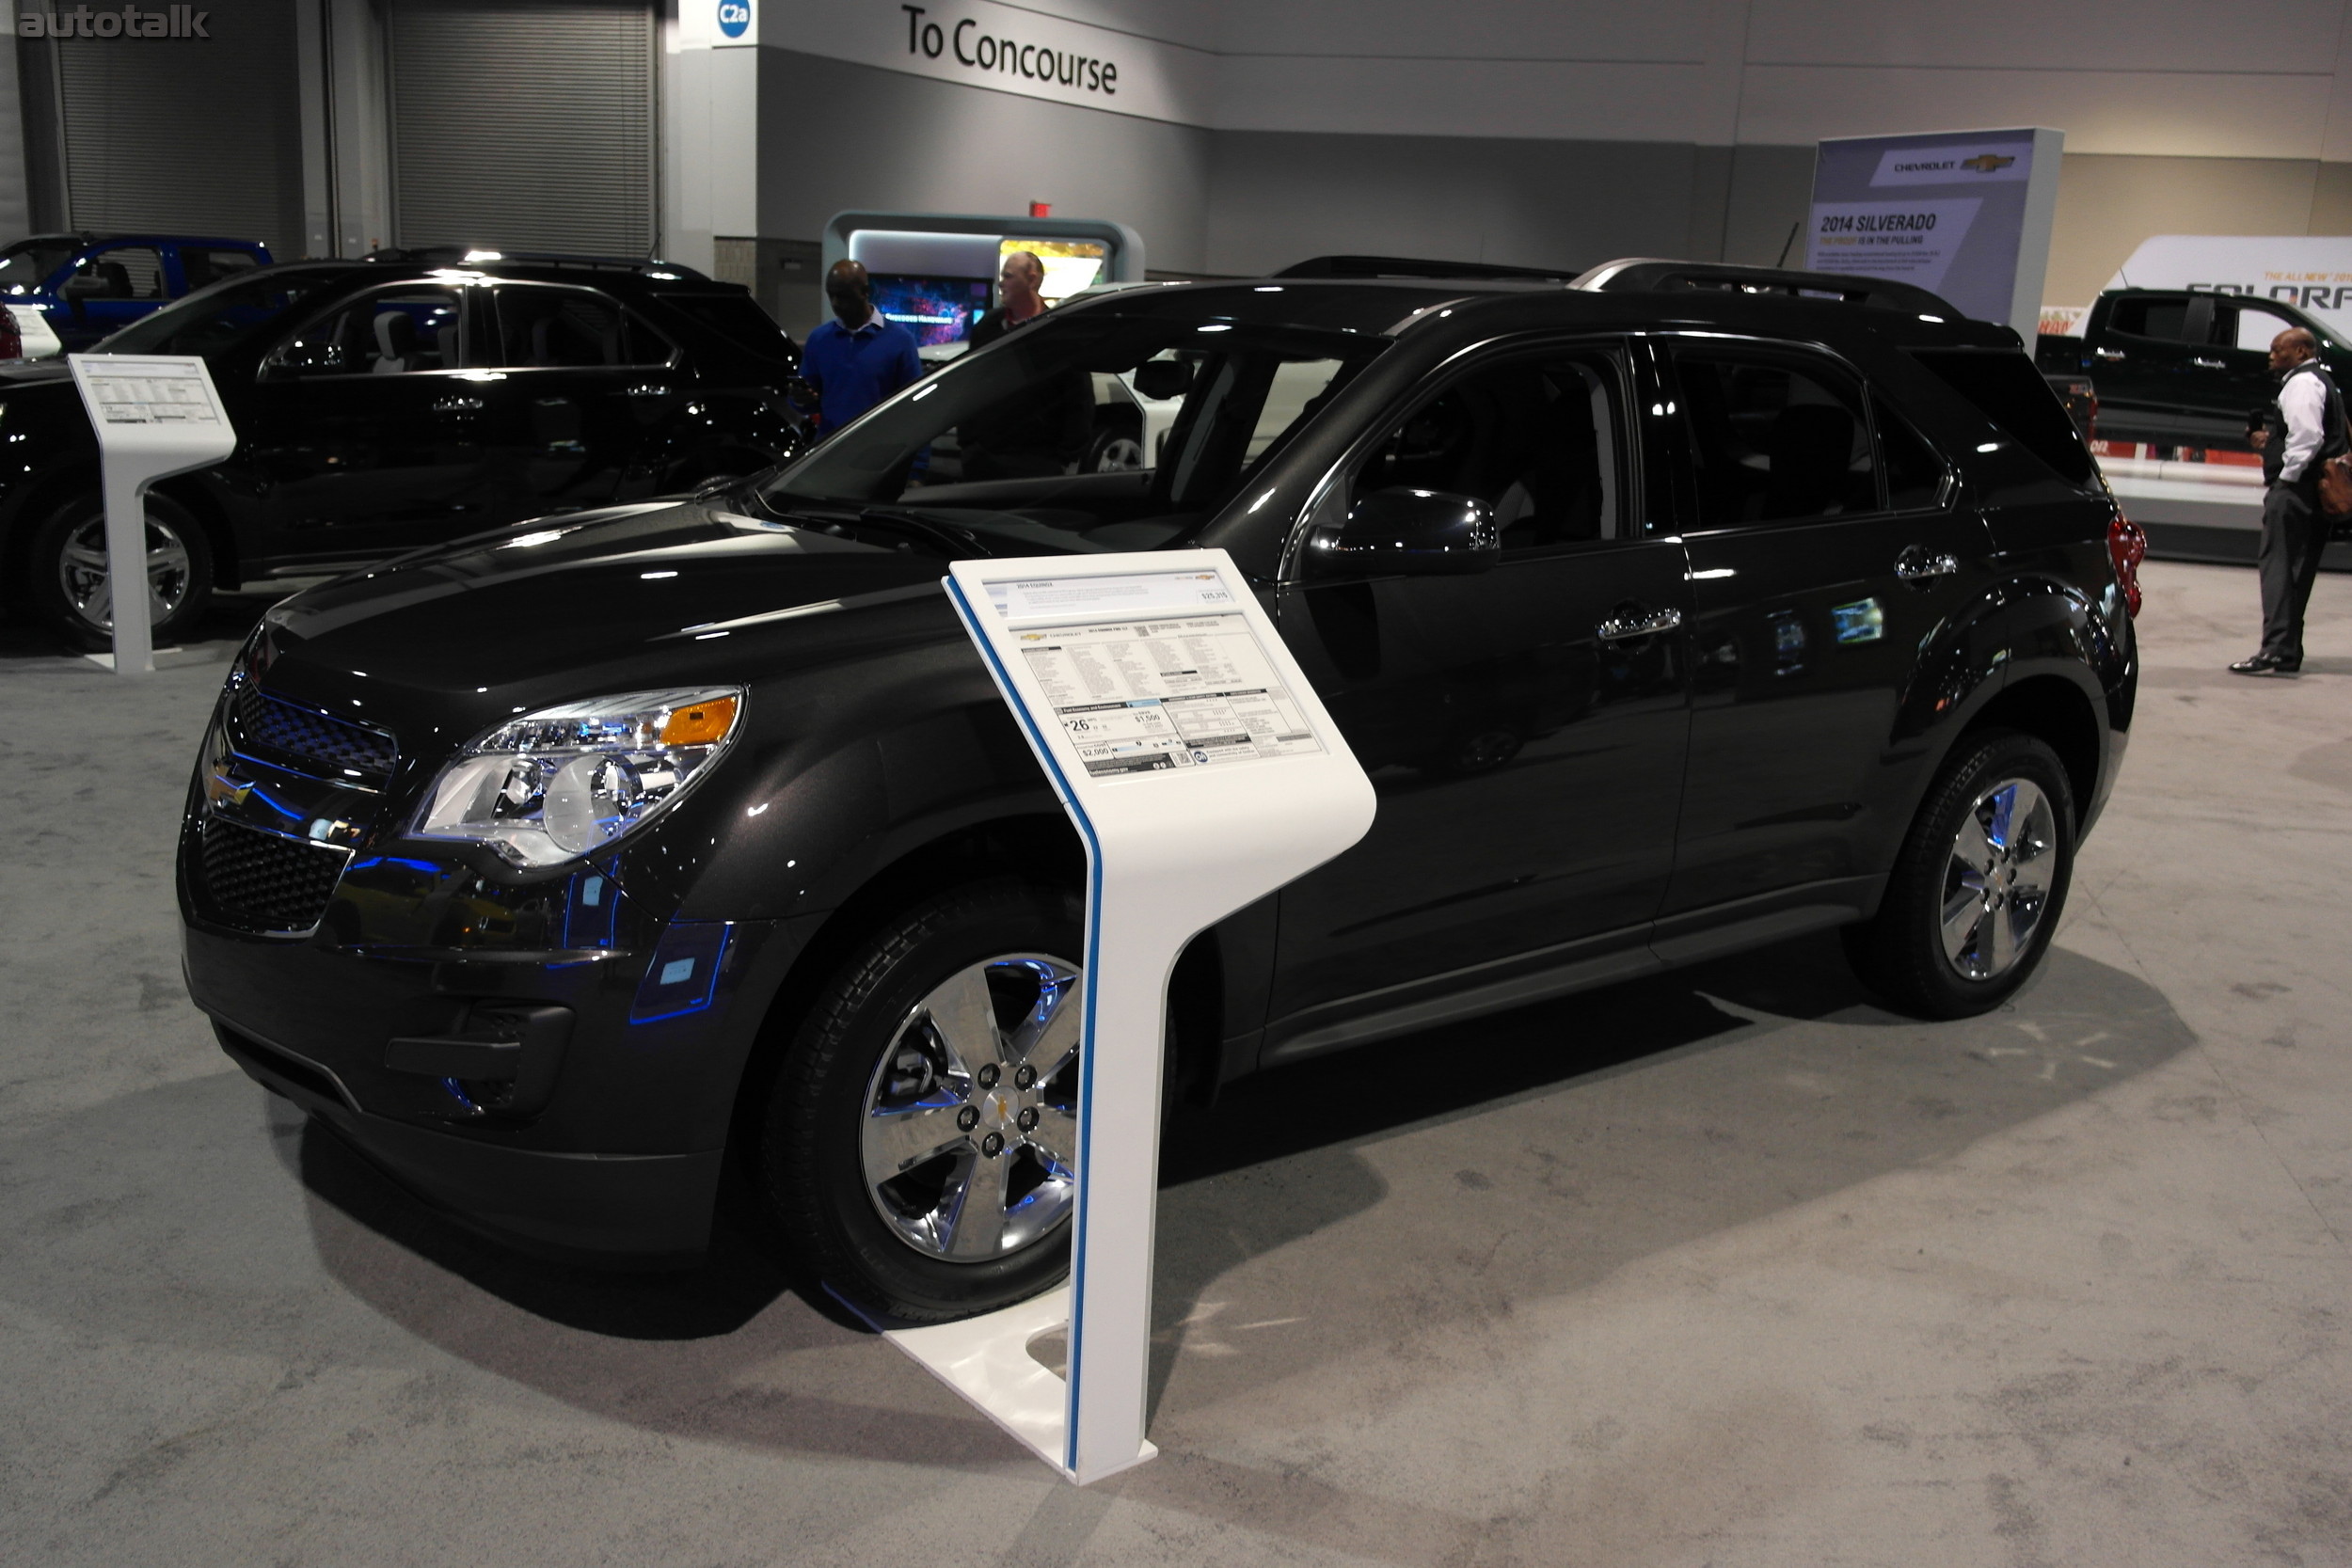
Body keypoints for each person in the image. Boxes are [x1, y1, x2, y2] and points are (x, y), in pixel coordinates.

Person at [2235, 327, 2344, 674]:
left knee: (2279, 571)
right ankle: (2287, 650)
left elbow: (2308, 438)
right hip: (2314, 493)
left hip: (2297, 493)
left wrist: (2285, 480)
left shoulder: (2301, 384)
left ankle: (2276, 649)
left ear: (2299, 352)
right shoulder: (2320, 381)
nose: (2271, 355)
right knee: (2297, 572)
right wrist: (2272, 442)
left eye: (2276, 349)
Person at [958, 249, 1091, 480]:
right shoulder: (988, 327)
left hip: (1038, 462)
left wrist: (1067, 455)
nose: (1001, 283)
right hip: (984, 458)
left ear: (1032, 279)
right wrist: (968, 443)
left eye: (1008, 276)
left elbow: (1079, 399)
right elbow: (967, 385)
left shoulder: (1060, 333)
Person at [795, 260, 922, 438]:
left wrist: (917, 464)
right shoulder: (819, 340)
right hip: (829, 451)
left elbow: (915, 409)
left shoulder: (900, 341)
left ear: (865, 292)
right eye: (831, 295)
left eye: (843, 296)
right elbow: (808, 402)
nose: (836, 303)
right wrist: (800, 399)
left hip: (877, 454)